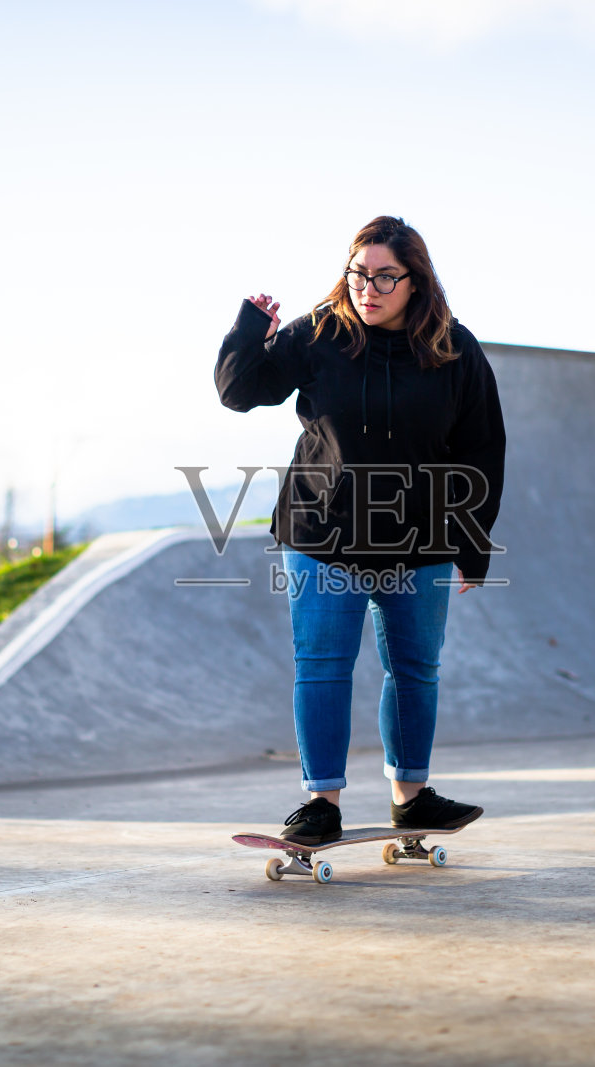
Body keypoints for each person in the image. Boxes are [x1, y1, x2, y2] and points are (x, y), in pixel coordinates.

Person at [215, 215, 506, 845]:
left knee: (415, 668)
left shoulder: (455, 347)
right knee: (322, 666)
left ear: (415, 282)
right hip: (323, 532)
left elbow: (482, 447)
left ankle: (412, 795)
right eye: (357, 274)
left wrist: (471, 545)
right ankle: (321, 802)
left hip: (421, 537)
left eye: (383, 277)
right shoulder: (320, 333)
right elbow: (238, 392)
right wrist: (249, 328)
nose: (367, 288)